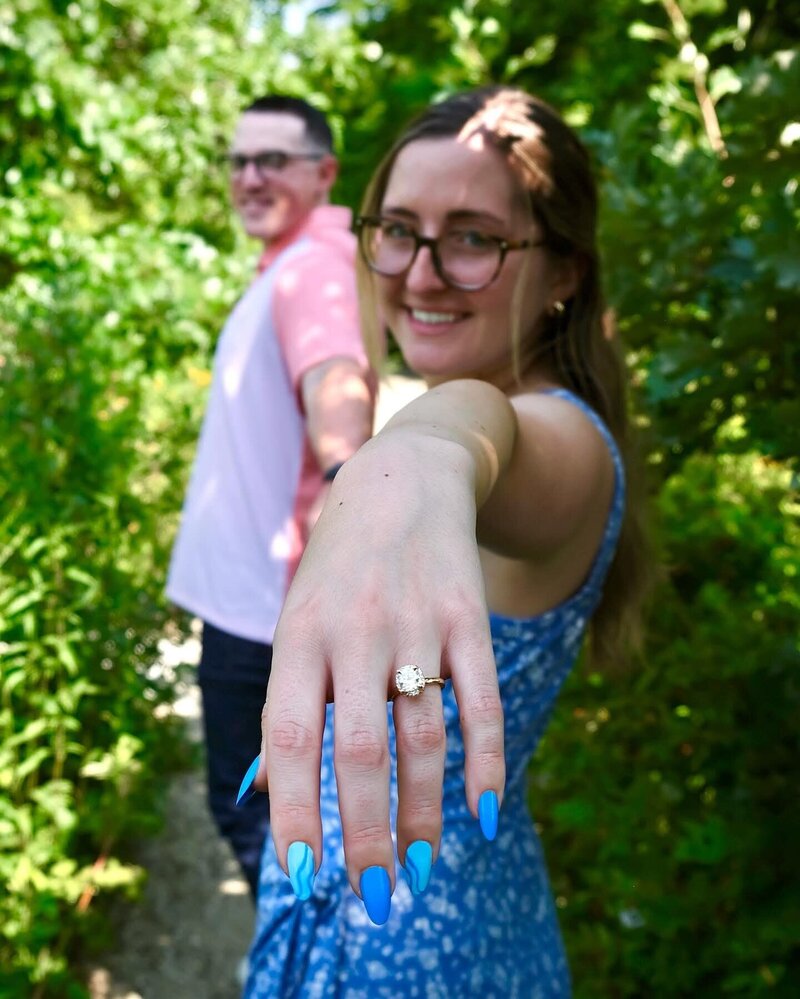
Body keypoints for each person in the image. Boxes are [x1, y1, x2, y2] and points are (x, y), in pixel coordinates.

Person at [240, 85, 648, 996]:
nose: (420, 272)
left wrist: (414, 457)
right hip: (351, 922)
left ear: (566, 272)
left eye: (473, 237)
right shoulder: (453, 396)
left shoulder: (567, 443)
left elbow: (477, 433)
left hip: (432, 958)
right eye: (397, 229)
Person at [167, 95, 374, 898]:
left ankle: (311, 972)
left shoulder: (314, 271)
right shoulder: (290, 267)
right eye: (239, 160)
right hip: (250, 607)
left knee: (257, 814)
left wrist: (350, 499)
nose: (249, 177)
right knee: (274, 814)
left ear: (323, 173)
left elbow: (336, 386)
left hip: (266, 617)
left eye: (272, 161)